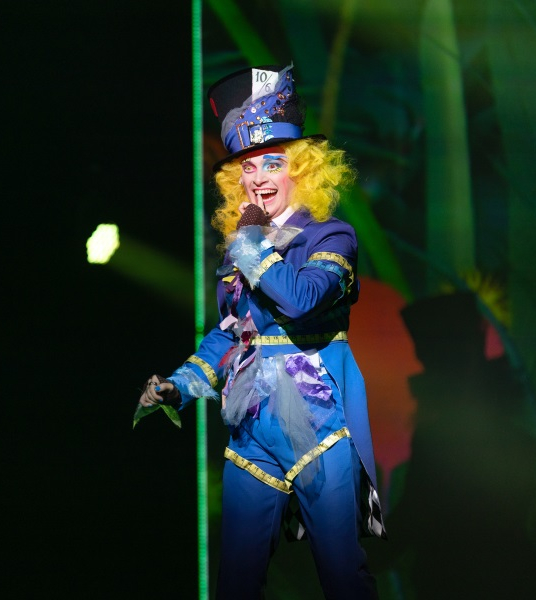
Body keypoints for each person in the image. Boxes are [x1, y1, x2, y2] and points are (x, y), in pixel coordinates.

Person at [138, 64, 386, 599]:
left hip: (319, 424)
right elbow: (231, 336)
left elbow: (300, 299)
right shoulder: (242, 252)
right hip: (252, 427)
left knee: (341, 574)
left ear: (304, 170)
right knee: (235, 582)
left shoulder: (331, 237)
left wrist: (251, 246)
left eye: (273, 163)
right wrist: (179, 386)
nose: (258, 178)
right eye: (247, 168)